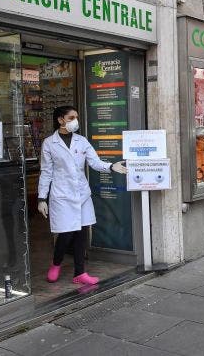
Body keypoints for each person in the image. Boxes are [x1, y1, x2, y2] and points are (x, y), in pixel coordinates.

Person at [38, 106, 127, 285]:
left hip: (82, 194)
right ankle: (56, 264)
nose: (75, 121)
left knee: (81, 232)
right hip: (61, 194)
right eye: (72, 117)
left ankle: (80, 273)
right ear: (60, 120)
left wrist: (111, 167)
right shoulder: (49, 143)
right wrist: (42, 198)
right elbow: (46, 172)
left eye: (76, 117)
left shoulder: (82, 141)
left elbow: (94, 162)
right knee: (66, 233)